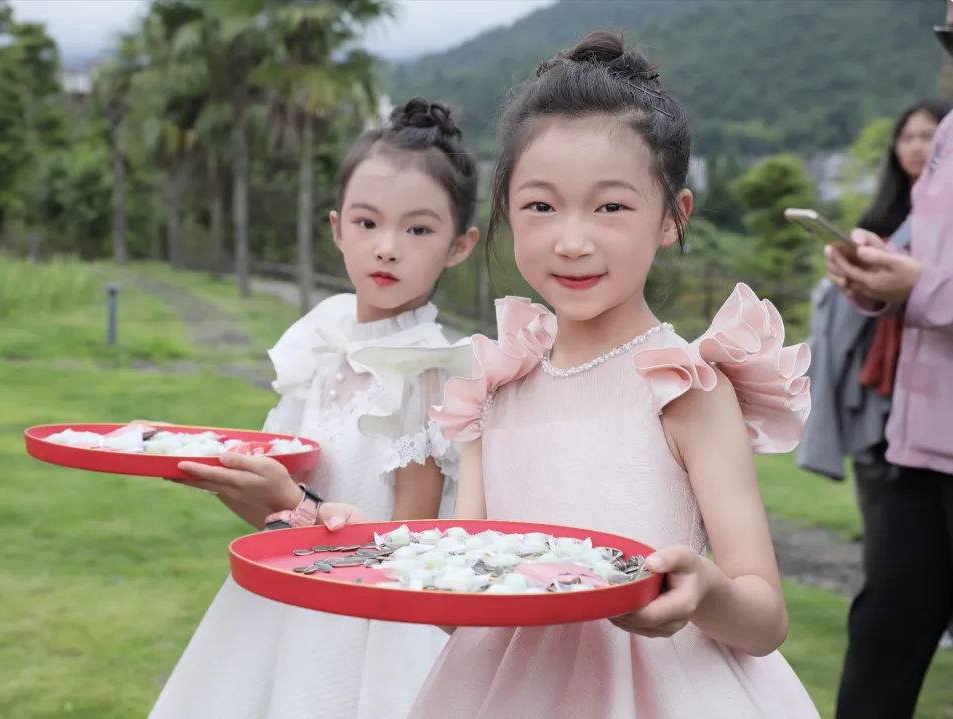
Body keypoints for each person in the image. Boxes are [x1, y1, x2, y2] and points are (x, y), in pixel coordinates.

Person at [362, 29, 817, 718]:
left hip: (662, 691)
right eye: (541, 206)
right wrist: (361, 541)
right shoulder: (495, 385)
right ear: (507, 213)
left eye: (611, 206)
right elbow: (462, 604)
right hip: (505, 690)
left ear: (672, 216)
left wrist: (705, 591)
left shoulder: (683, 385)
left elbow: (765, 613)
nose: (572, 241)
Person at [146, 97, 480, 719]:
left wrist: (294, 509)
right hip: (281, 602)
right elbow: (269, 512)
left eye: (419, 229)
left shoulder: (432, 373)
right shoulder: (322, 344)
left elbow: (406, 553)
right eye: (366, 222)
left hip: (365, 630)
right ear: (336, 228)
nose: (387, 248)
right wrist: (227, 479)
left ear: (459, 246)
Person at [828, 3, 953, 714]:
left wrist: (921, 289)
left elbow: (930, 283)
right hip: (920, 442)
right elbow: (923, 260)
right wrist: (875, 275)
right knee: (880, 637)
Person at [798, 99, 951, 567]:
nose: (918, 147)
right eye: (908, 137)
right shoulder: (886, 215)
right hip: (882, 376)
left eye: (928, 136)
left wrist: (917, 286)